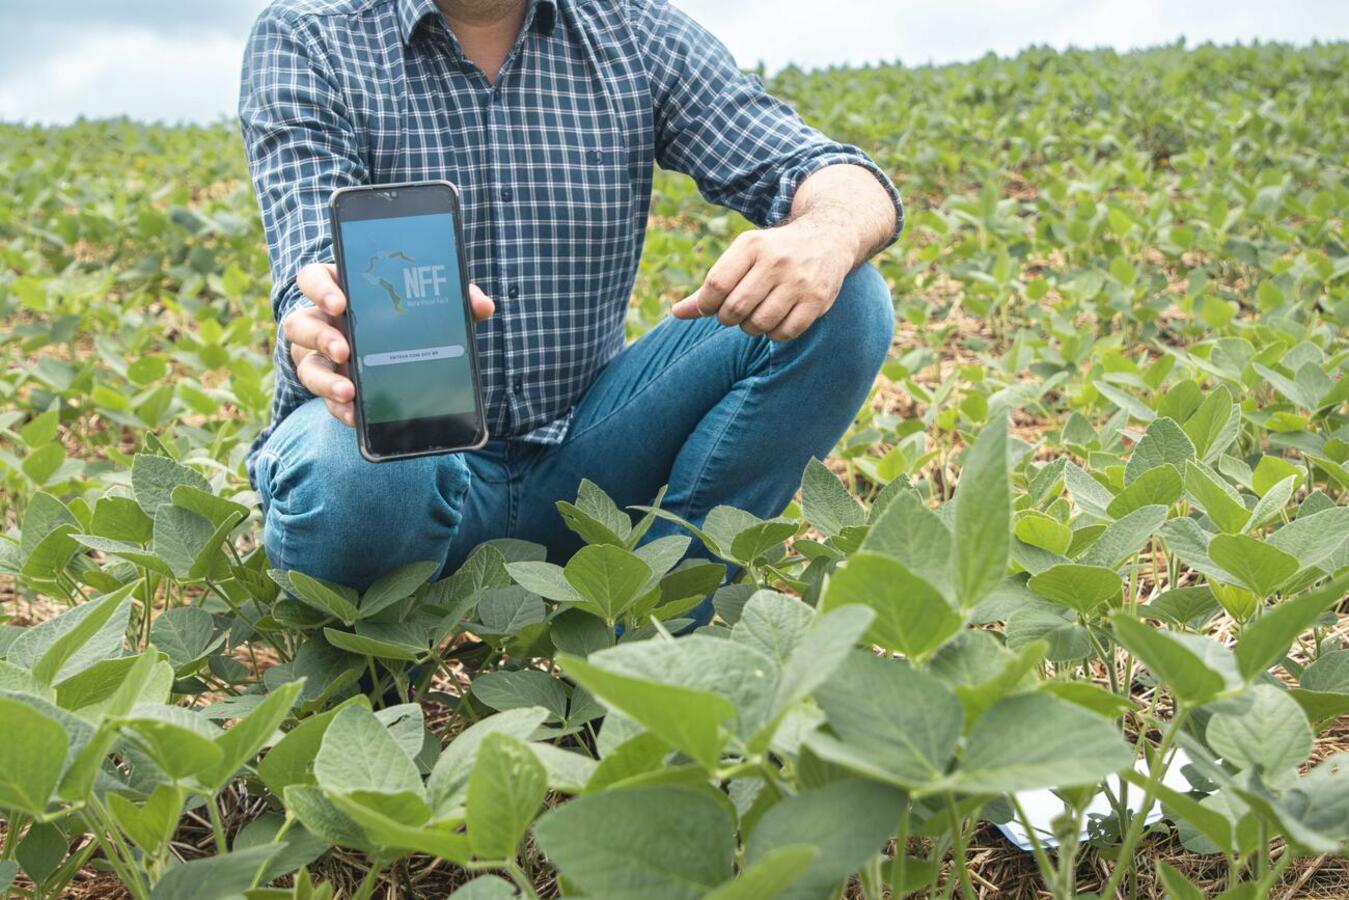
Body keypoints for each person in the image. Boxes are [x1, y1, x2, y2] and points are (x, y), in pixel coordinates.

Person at [240, 0, 903, 621]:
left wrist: (825, 232)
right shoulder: (313, 35)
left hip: (588, 462)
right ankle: (373, 667)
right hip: (405, 448)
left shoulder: (632, 31)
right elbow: (313, 259)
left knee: (847, 294)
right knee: (365, 456)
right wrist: (328, 323)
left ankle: (661, 633)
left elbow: (820, 166)